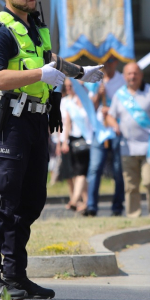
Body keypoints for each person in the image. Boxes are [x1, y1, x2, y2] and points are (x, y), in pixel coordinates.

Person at [0, 0, 103, 300]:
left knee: (30, 201)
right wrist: (39, 75)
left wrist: (80, 72)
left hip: (35, 121)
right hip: (9, 123)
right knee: (2, 200)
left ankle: (15, 276)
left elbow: (50, 61)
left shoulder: (35, 26)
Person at [106, 63, 150, 217]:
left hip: (149, 146)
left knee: (149, 182)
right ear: (124, 76)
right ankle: (134, 216)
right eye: (129, 74)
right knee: (131, 185)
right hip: (127, 147)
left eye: (135, 74)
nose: (132, 77)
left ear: (141, 75)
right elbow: (110, 116)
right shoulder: (120, 95)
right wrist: (115, 126)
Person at [83, 58, 126, 217]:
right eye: (105, 62)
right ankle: (91, 206)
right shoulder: (96, 80)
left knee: (117, 169)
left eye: (111, 62)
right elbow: (91, 107)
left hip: (116, 129)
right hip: (99, 130)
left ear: (115, 62)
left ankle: (117, 207)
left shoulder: (121, 80)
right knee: (94, 168)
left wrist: (112, 112)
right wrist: (97, 96)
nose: (108, 65)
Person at [60, 79, 91, 213]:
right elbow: (67, 123)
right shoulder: (66, 102)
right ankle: (83, 201)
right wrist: (64, 141)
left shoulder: (87, 100)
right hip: (73, 141)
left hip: (87, 140)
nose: (68, 88)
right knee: (75, 172)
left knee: (81, 172)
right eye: (66, 86)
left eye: (71, 86)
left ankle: (75, 200)